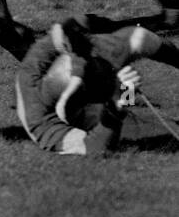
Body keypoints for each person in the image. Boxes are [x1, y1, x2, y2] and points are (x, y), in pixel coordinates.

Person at [15, 15, 179, 156]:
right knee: (154, 131)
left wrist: (74, 37)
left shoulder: (38, 61)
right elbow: (93, 148)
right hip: (95, 114)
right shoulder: (43, 125)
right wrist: (119, 106)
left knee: (140, 39)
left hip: (83, 78)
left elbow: (60, 31)